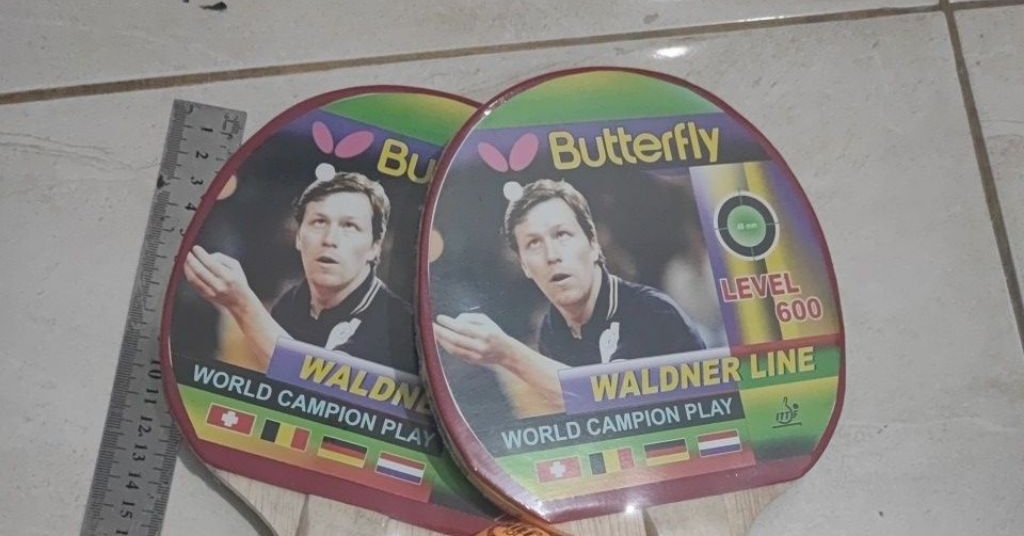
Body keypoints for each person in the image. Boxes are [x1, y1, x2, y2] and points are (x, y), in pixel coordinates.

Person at [434, 178, 704, 413]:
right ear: (524, 265)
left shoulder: (653, 312)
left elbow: (611, 401)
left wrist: (507, 353)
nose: (552, 255)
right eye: (534, 243)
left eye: (562, 235)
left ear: (593, 243)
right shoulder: (553, 330)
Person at [183, 171, 417, 373]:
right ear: (297, 236)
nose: (330, 239)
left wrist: (241, 304)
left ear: (375, 247)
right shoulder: (291, 302)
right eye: (319, 222)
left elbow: (316, 384)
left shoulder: (396, 325)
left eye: (350, 226)